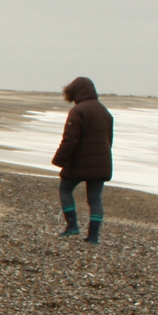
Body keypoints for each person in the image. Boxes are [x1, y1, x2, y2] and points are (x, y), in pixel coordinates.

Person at [51, 76, 113, 244]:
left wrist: (59, 160)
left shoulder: (78, 111)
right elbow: (109, 141)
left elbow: (70, 140)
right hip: (103, 163)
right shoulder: (105, 112)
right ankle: (93, 237)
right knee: (94, 199)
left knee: (65, 189)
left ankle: (72, 226)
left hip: (80, 162)